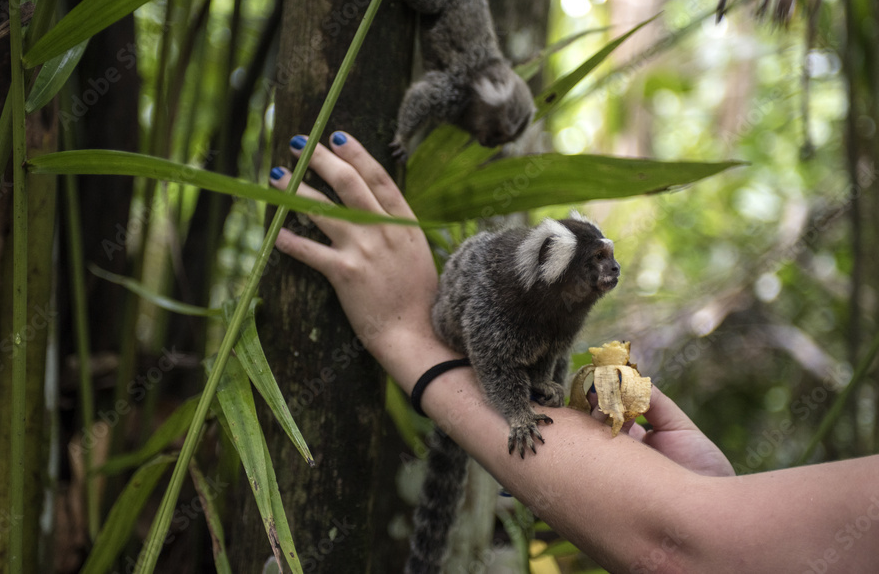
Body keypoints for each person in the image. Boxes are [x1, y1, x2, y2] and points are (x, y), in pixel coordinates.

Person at [268, 131, 879, 573]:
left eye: (609, 259)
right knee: (511, 376)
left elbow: (683, 549)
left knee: (546, 369)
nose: (610, 271)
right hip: (463, 337)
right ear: (552, 272)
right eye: (597, 265)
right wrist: (514, 412)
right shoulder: (506, 300)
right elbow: (493, 353)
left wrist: (405, 341)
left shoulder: (561, 303)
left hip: (450, 355)